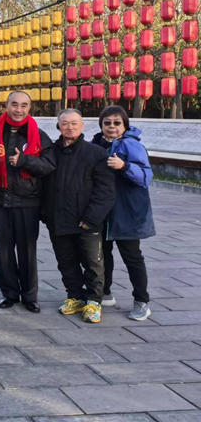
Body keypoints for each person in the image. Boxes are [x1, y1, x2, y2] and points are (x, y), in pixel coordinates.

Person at [42, 108, 115, 324]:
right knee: (66, 261)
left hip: (87, 221)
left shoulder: (96, 153)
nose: (70, 127)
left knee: (93, 263)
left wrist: (91, 218)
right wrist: (46, 214)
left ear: (82, 126)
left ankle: (93, 301)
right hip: (58, 218)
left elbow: (105, 191)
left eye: (74, 123)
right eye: (65, 123)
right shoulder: (50, 152)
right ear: (59, 126)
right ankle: (74, 296)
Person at [0, 91, 56, 313]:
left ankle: (29, 295)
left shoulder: (38, 134)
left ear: (29, 108)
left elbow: (49, 165)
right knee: (5, 250)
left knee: (27, 251)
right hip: (0, 200)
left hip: (28, 202)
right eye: (14, 104)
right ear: (6, 105)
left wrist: (25, 161)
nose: (19, 110)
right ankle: (9, 293)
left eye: (24, 105)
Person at [91, 106, 155, 321]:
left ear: (125, 125)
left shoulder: (131, 145)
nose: (112, 127)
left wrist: (124, 166)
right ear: (101, 125)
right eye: (107, 122)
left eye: (117, 123)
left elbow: (145, 177)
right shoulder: (95, 144)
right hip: (103, 211)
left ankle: (142, 301)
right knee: (102, 254)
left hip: (127, 211)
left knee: (132, 256)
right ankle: (105, 292)